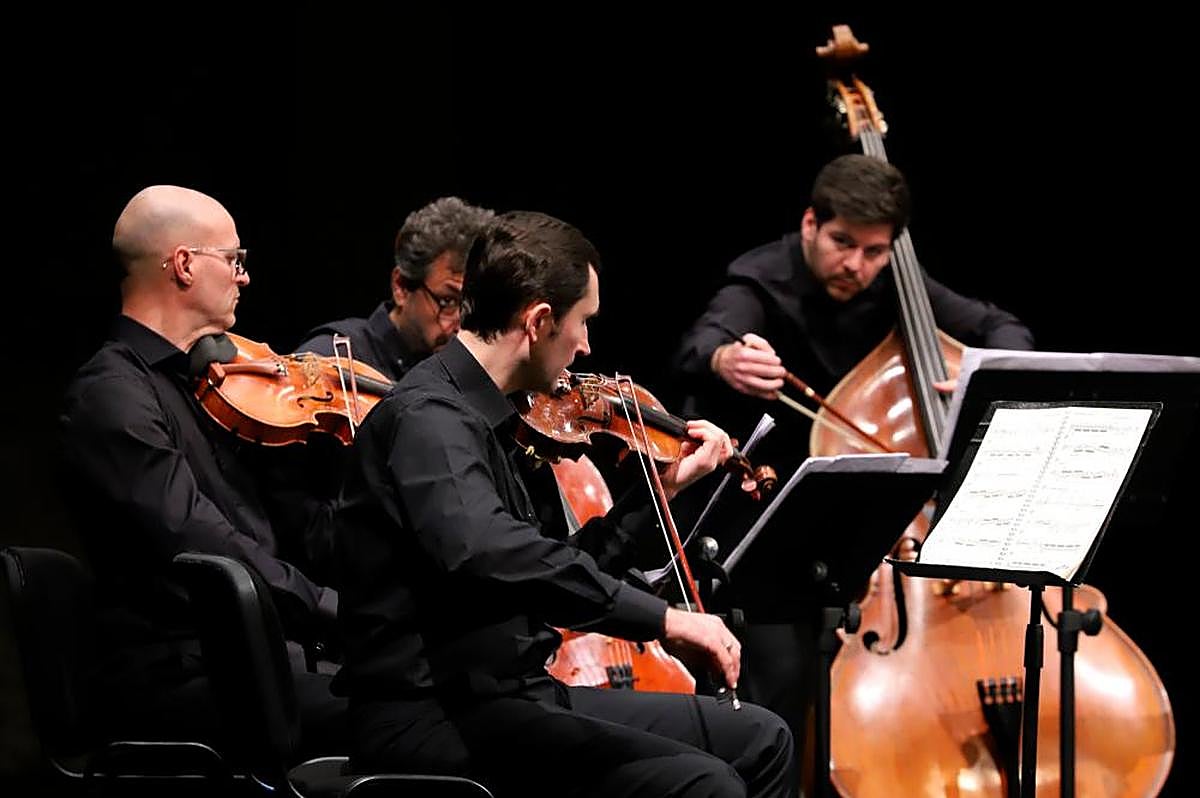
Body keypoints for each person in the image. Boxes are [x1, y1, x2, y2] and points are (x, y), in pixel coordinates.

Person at [333, 210, 795, 797]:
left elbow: (554, 565)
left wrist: (664, 489)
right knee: (706, 784)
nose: (586, 345)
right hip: (431, 715)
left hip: (510, 696)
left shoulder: (498, 416)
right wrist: (666, 618)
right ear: (539, 321)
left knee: (763, 738)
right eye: (583, 323)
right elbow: (497, 556)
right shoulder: (429, 418)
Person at [670, 153, 1035, 783]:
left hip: (879, 535)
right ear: (811, 223)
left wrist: (983, 371)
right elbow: (699, 345)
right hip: (773, 518)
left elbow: (1001, 328)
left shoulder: (892, 278)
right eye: (843, 244)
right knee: (782, 683)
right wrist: (727, 358)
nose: (857, 267)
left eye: (874, 251)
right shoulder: (759, 279)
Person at [58, 185, 346, 756]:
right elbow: (206, 546)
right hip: (179, 673)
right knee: (414, 723)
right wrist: (329, 611)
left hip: (249, 657)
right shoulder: (112, 396)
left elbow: (271, 527)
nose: (244, 277)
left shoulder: (210, 386)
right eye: (234, 260)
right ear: (185, 264)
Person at [295, 196, 495, 380]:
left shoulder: (467, 373)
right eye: (449, 302)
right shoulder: (332, 356)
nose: (462, 326)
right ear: (401, 287)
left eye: (472, 305)